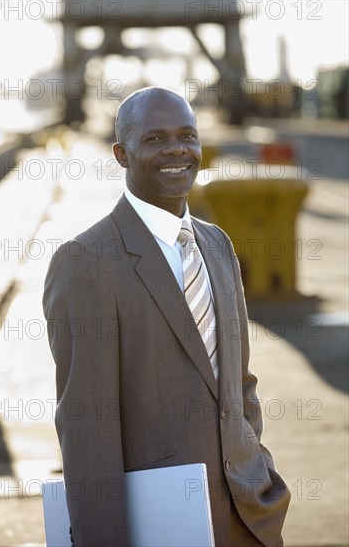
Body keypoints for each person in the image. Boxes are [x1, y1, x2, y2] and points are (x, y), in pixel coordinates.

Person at [43, 86, 290, 546]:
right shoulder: (86, 262)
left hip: (251, 514)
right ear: (122, 154)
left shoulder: (216, 243)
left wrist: (259, 466)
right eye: (155, 139)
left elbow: (239, 382)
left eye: (187, 136)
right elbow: (86, 427)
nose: (177, 149)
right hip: (159, 522)